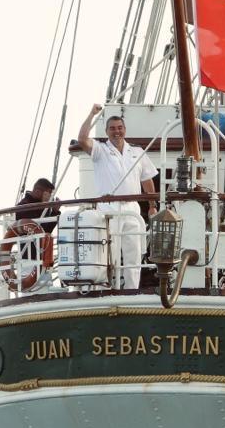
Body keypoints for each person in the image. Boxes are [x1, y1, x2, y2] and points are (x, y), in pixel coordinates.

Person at [78, 104, 159, 290]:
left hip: (132, 208)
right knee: (109, 251)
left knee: (134, 252)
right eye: (112, 129)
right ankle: (108, 289)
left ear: (125, 129)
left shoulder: (137, 152)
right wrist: (91, 114)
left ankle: (131, 289)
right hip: (109, 208)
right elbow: (82, 139)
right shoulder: (100, 150)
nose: (117, 132)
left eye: (120, 128)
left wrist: (152, 205)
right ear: (106, 131)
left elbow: (146, 179)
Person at [13, 177, 60, 270]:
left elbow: (46, 230)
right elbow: (39, 228)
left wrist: (54, 211)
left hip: (41, 255)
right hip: (28, 256)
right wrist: (45, 206)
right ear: (38, 191)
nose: (50, 197)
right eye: (48, 194)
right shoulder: (23, 206)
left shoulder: (41, 206)